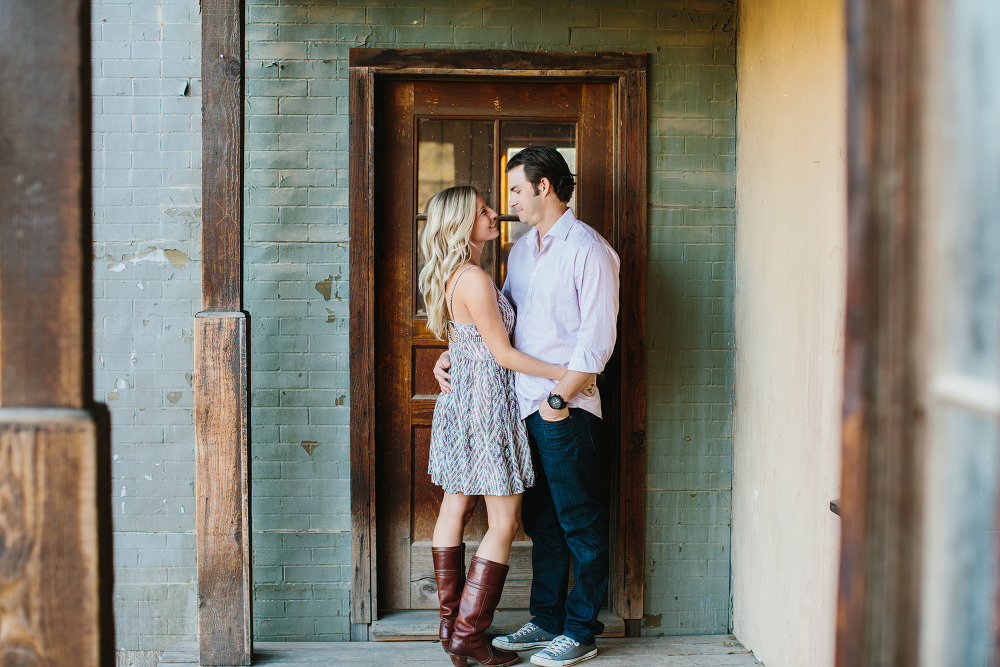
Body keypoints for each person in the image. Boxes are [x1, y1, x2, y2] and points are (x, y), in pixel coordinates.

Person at [435, 147, 620, 667]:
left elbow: (596, 341)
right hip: (517, 410)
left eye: (516, 189)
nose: (509, 200)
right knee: (542, 523)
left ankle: (581, 629)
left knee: (579, 520)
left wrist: (561, 397)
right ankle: (547, 620)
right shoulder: (518, 253)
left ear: (544, 188)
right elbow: (500, 329)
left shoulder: (589, 249)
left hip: (566, 407)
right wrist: (452, 355)